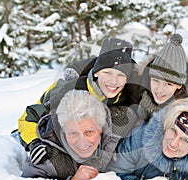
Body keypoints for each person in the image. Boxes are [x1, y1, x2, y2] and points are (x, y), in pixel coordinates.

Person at [17, 38, 138, 166]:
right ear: (96, 73)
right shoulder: (68, 91)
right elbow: (29, 118)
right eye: (107, 73)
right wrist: (34, 143)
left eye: (121, 75)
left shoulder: (126, 97)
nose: (114, 81)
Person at [21, 89, 121, 180]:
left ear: (100, 129)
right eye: (73, 133)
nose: (82, 143)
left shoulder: (117, 141)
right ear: (63, 131)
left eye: (89, 132)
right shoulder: (49, 160)